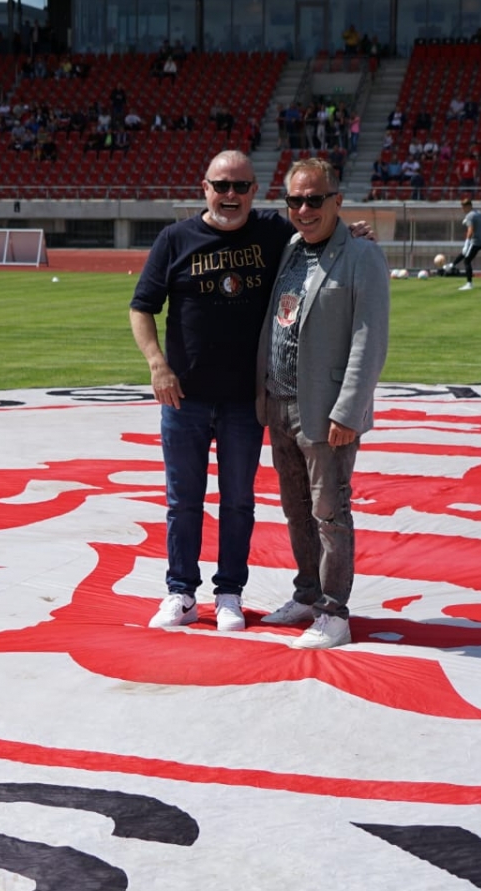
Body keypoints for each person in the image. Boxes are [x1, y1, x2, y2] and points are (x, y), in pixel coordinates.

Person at [129, 152, 371, 634]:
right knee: (182, 500)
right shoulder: (175, 238)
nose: (230, 195)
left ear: (254, 192)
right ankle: (181, 591)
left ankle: (229, 593)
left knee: (238, 500)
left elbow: (317, 227)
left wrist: (350, 234)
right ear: (204, 187)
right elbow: (142, 307)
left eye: (240, 187)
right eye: (221, 185)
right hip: (185, 398)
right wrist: (157, 365)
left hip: (245, 399)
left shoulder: (273, 231)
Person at [254, 157, 390, 651]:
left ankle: (334, 612)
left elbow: (369, 339)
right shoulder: (291, 248)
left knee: (330, 514)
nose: (304, 209)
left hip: (326, 410)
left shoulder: (362, 256)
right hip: (280, 404)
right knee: (297, 511)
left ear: (337, 200)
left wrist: (349, 411)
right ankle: (308, 594)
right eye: (295, 200)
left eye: (314, 199)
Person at [456, 197, 481, 290]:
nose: (462, 209)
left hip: (477, 241)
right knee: (465, 254)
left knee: (467, 260)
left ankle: (469, 284)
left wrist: (466, 243)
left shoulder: (470, 215)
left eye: (463, 207)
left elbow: (470, 230)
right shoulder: (479, 213)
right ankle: (452, 265)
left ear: (468, 206)